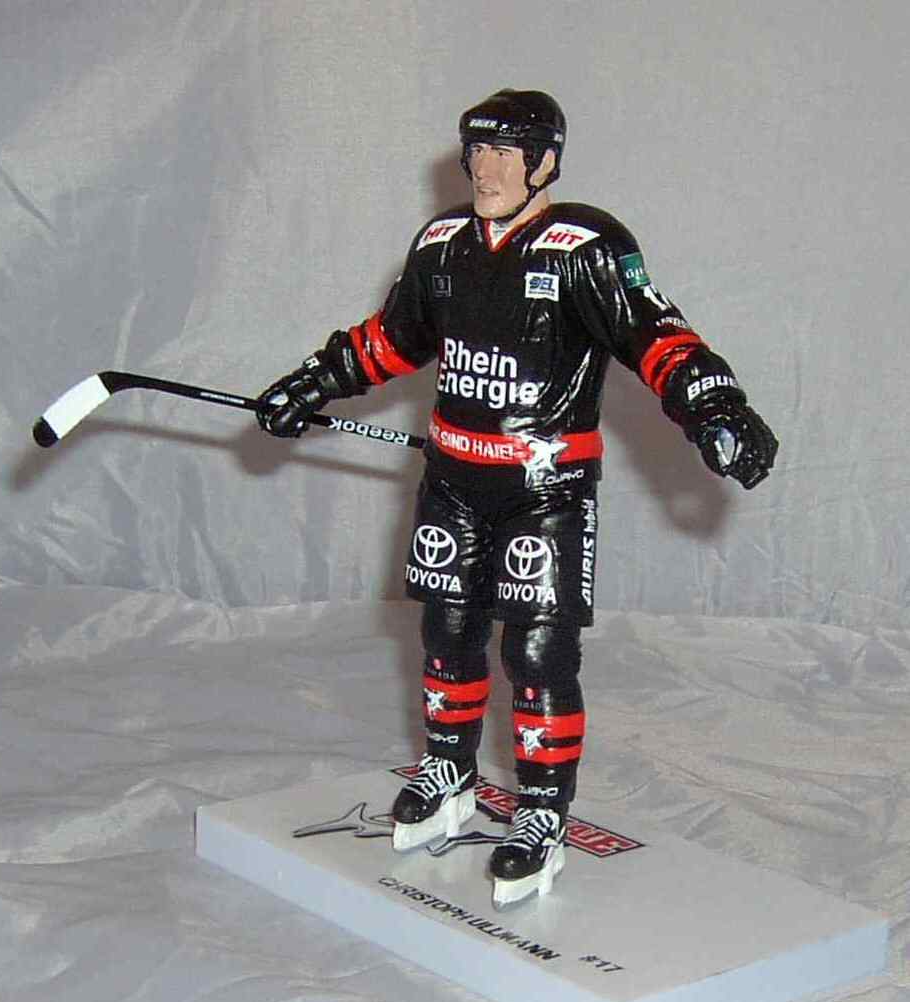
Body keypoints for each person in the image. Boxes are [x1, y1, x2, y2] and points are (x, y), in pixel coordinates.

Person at [256, 89, 778, 909]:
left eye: (506, 153)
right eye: (478, 151)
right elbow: (391, 340)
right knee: (446, 635)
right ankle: (448, 772)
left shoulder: (585, 246)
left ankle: (541, 812)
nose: (486, 169)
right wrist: (311, 382)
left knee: (537, 656)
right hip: (453, 484)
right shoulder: (440, 244)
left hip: (546, 493)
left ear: (545, 163)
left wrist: (716, 407)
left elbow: (653, 334)